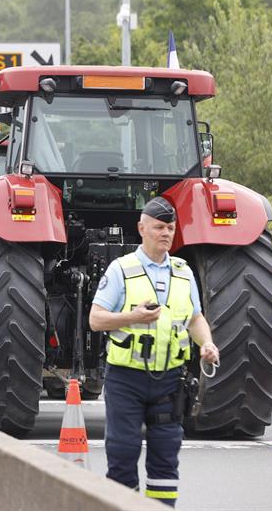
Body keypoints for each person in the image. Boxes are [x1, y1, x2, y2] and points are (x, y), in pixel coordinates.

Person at [89, 197, 219, 508]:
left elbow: (195, 318)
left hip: (170, 382)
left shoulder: (184, 272)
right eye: (159, 227)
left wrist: (207, 344)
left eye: (171, 228)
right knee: (122, 454)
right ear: (142, 228)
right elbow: (96, 320)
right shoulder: (121, 269)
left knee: (165, 457)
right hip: (126, 381)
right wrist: (133, 317)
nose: (166, 233)